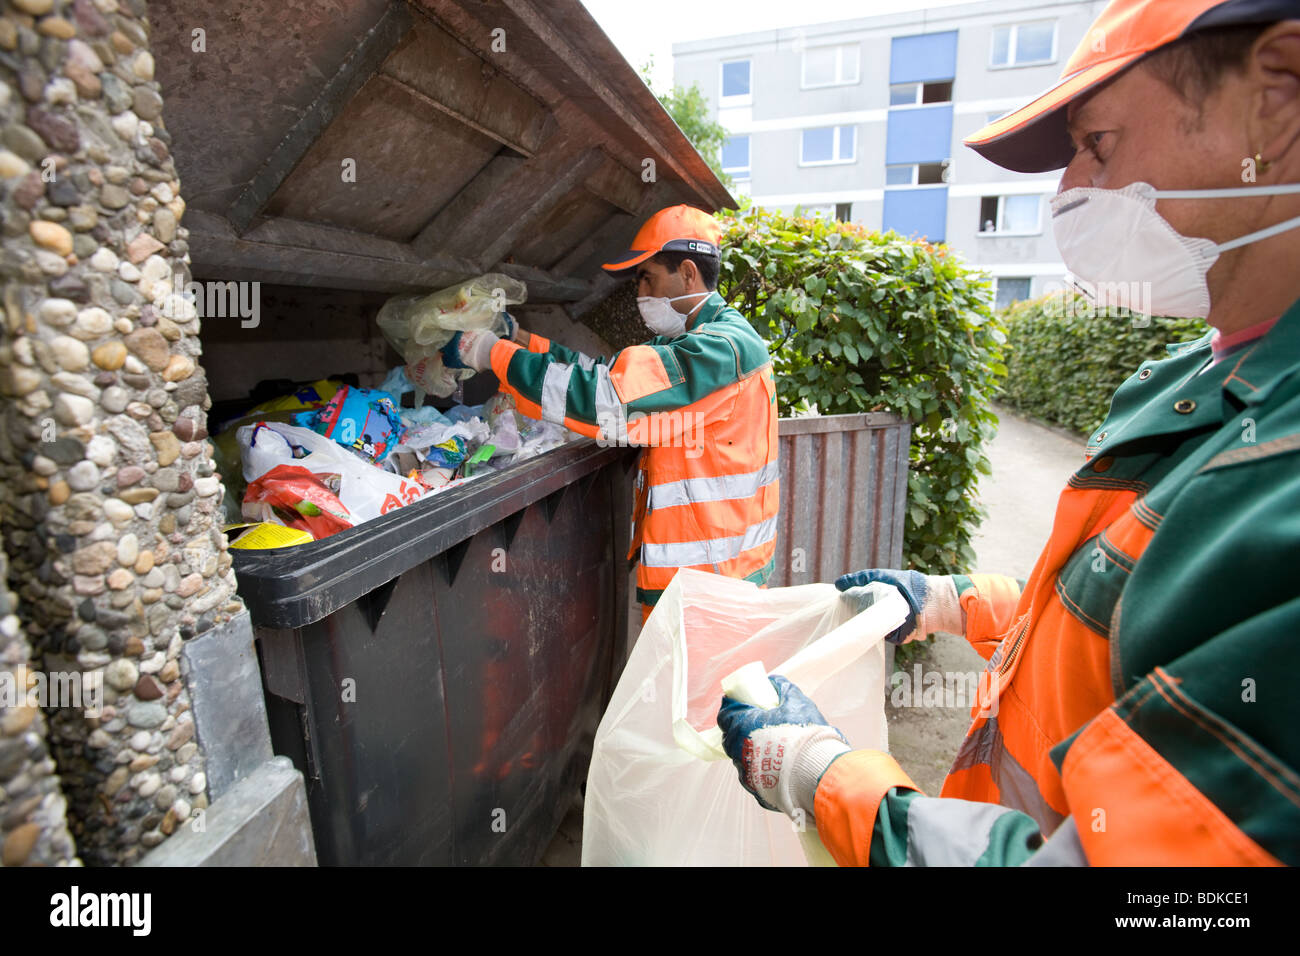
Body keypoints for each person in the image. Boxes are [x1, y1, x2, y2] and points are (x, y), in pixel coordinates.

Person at [718, 0, 1300, 866]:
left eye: (1096, 143)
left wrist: (825, 778)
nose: (1068, 192)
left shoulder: (1276, 474)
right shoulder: (1199, 381)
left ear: (1277, 100)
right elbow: (1116, 609)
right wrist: (956, 603)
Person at [443, 205, 780, 623]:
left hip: (711, 591)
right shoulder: (706, 340)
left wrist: (490, 353)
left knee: (697, 691)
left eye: (647, 277)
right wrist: (520, 338)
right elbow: (601, 372)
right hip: (708, 579)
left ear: (688, 273)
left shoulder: (717, 351)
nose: (640, 293)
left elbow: (606, 400)